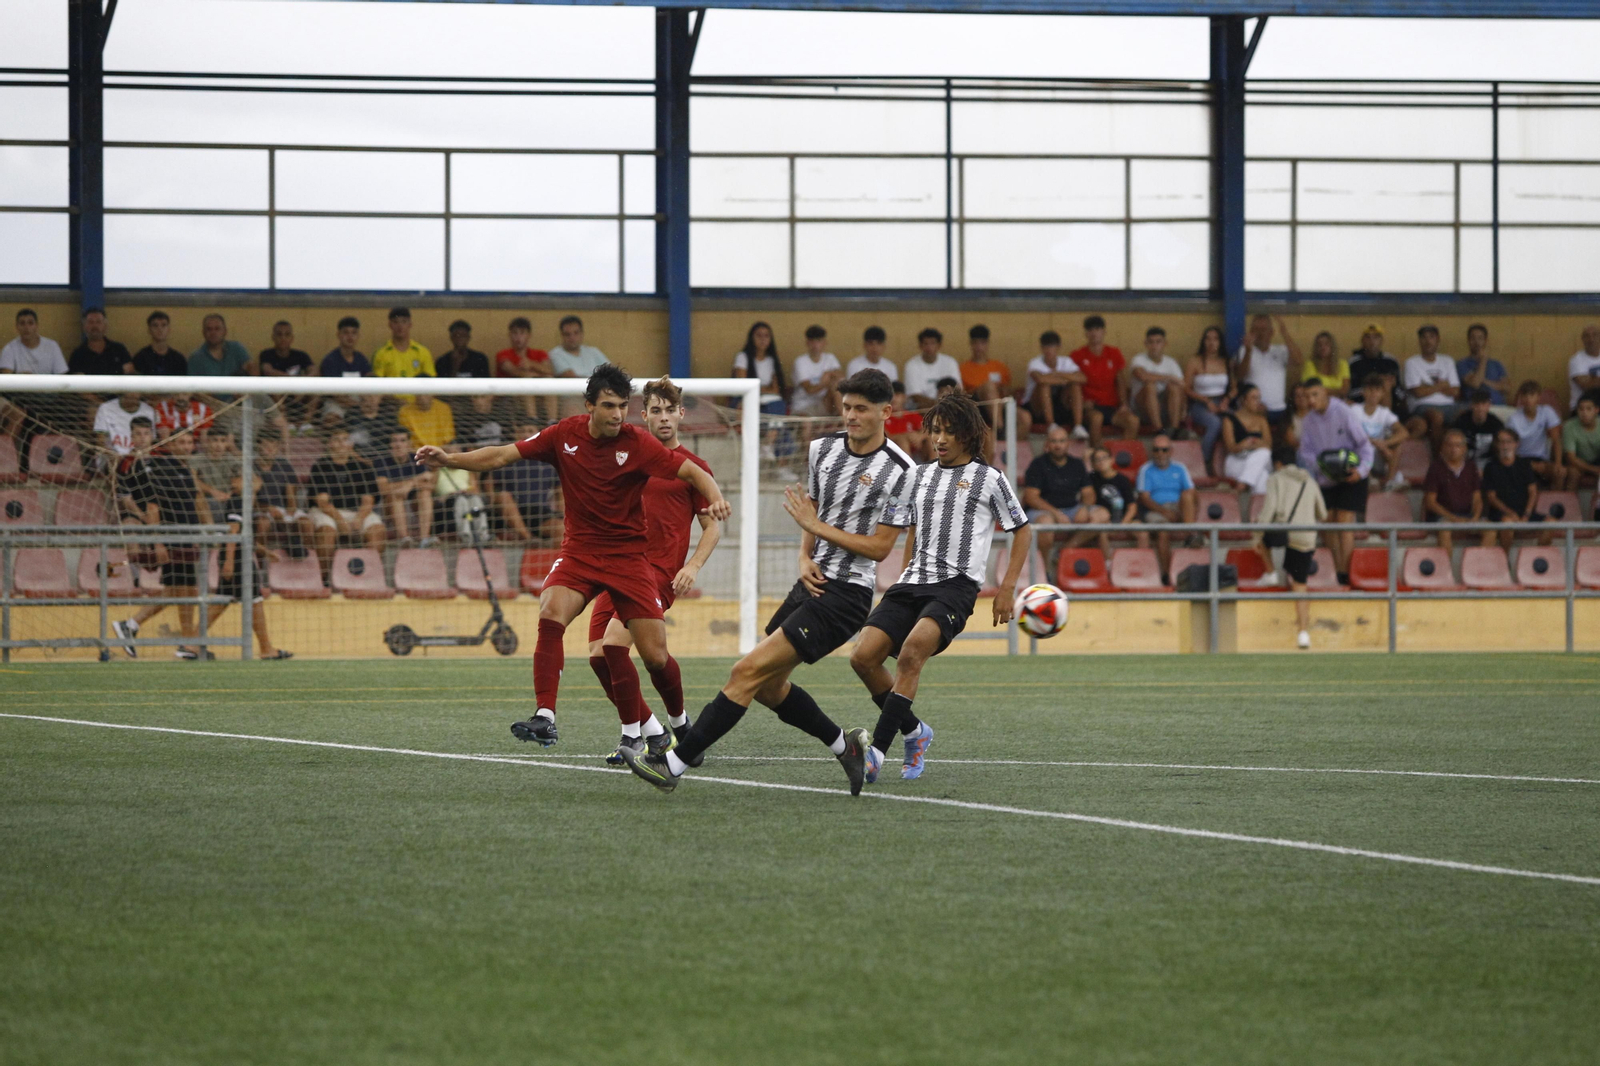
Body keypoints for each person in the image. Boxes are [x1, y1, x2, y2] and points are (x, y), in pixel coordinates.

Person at [616, 369, 906, 794]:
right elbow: (812, 507)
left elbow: (880, 548)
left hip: (846, 595)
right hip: (810, 583)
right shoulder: (823, 449)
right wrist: (804, 555)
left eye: (861, 409)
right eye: (846, 407)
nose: (851, 416)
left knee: (745, 672)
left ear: (886, 413)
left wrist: (815, 529)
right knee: (769, 687)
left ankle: (673, 764)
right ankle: (846, 747)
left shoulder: (900, 470)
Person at [415, 364, 731, 751]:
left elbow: (694, 472)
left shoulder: (638, 444)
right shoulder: (563, 435)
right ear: (589, 406)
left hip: (629, 560)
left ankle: (675, 725)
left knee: (654, 657)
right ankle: (547, 717)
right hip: (580, 552)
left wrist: (716, 499)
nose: (618, 414)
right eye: (609, 406)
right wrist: (449, 460)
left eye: (623, 406)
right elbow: (501, 455)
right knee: (555, 614)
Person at [850, 392, 1031, 784]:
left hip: (956, 586)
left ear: (968, 434)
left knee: (911, 653)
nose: (940, 439)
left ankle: (877, 751)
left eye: (949, 431)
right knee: (862, 657)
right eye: (935, 430)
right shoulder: (916, 476)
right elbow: (911, 528)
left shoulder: (989, 479)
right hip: (912, 582)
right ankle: (915, 731)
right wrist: (904, 574)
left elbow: (1022, 530)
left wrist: (1007, 588)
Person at [592, 378, 723, 764]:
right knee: (603, 657)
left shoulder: (693, 468)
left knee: (614, 646)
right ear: (644, 415)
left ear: (681, 414)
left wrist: (693, 565)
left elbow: (713, 527)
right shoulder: (627, 458)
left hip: (658, 573)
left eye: (670, 410)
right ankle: (666, 729)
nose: (663, 417)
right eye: (656, 410)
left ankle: (633, 736)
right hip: (616, 568)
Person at [110, 417, 211, 660]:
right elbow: (153, 508)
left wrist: (207, 528)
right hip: (171, 536)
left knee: (183, 589)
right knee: (182, 589)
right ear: (171, 444)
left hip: (186, 536)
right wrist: (158, 542)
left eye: (190, 442)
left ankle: (177, 640)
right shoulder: (161, 468)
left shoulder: (185, 469)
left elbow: (196, 499)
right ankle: (180, 640)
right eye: (181, 442)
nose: (187, 447)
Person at [1296, 379, 1374, 583]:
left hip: (1351, 474)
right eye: (1307, 396)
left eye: (1315, 394)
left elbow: (1365, 446)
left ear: (1325, 393)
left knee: (1344, 522)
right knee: (1328, 523)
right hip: (1327, 476)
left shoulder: (1344, 412)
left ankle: (1349, 575)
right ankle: (1338, 572)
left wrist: (1361, 471)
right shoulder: (1308, 421)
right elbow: (1306, 452)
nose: (1311, 400)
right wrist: (1321, 465)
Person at [1253, 445, 1327, 650]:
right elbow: (1322, 513)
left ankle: (1271, 573)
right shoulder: (1310, 480)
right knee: (1300, 585)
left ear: (1278, 463)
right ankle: (1303, 633)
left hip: (1284, 531)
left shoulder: (1275, 478)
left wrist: (1256, 535)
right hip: (1305, 536)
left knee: (1261, 538)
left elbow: (1269, 510)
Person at [208, 494, 293, 660]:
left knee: (222, 600)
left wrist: (266, 552)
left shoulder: (245, 501)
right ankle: (266, 648)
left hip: (237, 556)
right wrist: (230, 561)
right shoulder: (238, 500)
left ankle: (192, 644)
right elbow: (233, 531)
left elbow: (246, 538)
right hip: (239, 559)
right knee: (254, 601)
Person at [308, 426, 386, 581]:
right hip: (327, 512)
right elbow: (322, 502)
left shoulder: (362, 467)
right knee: (326, 531)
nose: (341, 443)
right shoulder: (321, 466)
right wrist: (340, 521)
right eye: (337, 440)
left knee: (377, 530)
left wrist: (359, 518)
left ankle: (369, 578)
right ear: (330, 444)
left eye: (345, 439)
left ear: (351, 444)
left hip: (357, 512)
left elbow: (368, 500)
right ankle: (324, 579)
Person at [1021, 424, 1095, 568]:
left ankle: (1064, 551)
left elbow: (1089, 493)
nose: (1058, 445)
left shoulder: (1077, 464)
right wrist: (1056, 513)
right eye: (1054, 441)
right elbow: (1031, 497)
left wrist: (1085, 508)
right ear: (1047, 444)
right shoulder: (1038, 464)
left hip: (1071, 509)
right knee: (1045, 523)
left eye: (1062, 441)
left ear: (1068, 443)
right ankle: (1045, 569)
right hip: (1042, 511)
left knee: (1102, 515)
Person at [485, 417, 563, 544]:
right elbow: (488, 482)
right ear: (516, 434)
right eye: (522, 431)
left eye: (530, 431)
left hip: (538, 512)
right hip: (509, 510)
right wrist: (493, 501)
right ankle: (529, 540)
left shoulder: (548, 460)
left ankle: (552, 556)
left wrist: (561, 513)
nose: (526, 434)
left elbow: (560, 490)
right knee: (503, 496)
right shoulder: (506, 456)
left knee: (560, 529)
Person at [1, 308, 68, 445]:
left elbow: (62, 376)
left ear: (36, 325)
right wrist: (21, 377)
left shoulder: (51, 346)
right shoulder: (10, 348)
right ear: (17, 327)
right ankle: (8, 453)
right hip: (21, 397)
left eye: (30, 323)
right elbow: (5, 376)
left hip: (48, 397)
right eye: (22, 323)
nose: (26, 327)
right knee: (17, 414)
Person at [1072, 315, 1141, 447]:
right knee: (1097, 418)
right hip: (1090, 408)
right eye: (1090, 330)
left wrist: (1124, 404)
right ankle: (1097, 455)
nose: (1094, 333)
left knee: (1133, 421)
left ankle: (1121, 455)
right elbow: (1071, 385)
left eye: (1097, 329)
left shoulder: (1114, 353)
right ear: (1085, 333)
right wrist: (1082, 403)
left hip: (1111, 407)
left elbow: (1120, 381)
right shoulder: (1077, 355)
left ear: (1104, 332)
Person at [1135, 433, 1197, 578]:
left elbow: (1193, 493)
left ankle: (1190, 534)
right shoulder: (1145, 469)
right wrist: (1165, 512)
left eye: (1164, 450)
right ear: (1152, 452)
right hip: (1155, 509)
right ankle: (1167, 575)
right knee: (1162, 531)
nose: (1160, 453)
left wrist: (1191, 514)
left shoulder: (1180, 468)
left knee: (1187, 496)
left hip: (1177, 507)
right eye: (1156, 450)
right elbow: (1144, 498)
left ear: (1171, 451)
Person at [1481, 429, 1546, 551]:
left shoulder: (1525, 464)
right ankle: (1504, 559)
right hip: (1501, 513)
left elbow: (1533, 492)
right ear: (1496, 445)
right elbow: (1491, 497)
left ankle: (1536, 555)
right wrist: (1510, 513)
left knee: (1552, 523)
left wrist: (1526, 514)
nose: (1505, 446)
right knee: (1507, 523)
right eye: (1501, 442)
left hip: (1524, 512)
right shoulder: (1490, 467)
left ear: (1517, 444)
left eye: (1509, 442)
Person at [960, 324, 1029, 438]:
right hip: (976, 408)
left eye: (982, 343)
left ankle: (1013, 447)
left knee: (1025, 417)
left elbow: (1007, 393)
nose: (979, 347)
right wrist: (984, 389)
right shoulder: (963, 368)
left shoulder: (999, 367)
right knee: (989, 386)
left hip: (999, 404)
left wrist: (1001, 389)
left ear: (987, 344)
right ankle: (999, 429)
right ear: (971, 344)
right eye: (976, 343)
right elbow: (962, 396)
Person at [1234, 313, 1303, 425]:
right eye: (1255, 330)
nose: (1260, 333)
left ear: (1271, 332)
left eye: (1263, 329)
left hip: (1279, 409)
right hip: (1254, 410)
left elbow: (1299, 361)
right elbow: (1240, 375)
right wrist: (1248, 351)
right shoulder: (1244, 351)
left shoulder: (1281, 350)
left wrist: (1285, 334)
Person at [1422, 429, 1482, 553]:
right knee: (1445, 528)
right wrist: (1454, 518)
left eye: (1458, 445)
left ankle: (1478, 564)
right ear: (1443, 447)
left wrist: (1475, 518)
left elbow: (1477, 498)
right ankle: (1447, 565)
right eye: (1449, 445)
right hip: (1442, 518)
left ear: (1464, 448)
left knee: (1491, 530)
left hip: (1466, 516)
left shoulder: (1471, 467)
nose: (1453, 449)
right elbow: (1430, 502)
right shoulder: (1435, 468)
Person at [253, 432, 313, 555]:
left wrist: (289, 515)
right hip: (260, 510)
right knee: (263, 524)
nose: (270, 449)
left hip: (282, 509)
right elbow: (250, 502)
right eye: (266, 445)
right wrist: (268, 508)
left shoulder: (284, 465)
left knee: (306, 523)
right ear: (258, 446)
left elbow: (291, 497)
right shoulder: (251, 467)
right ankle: (260, 560)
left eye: (274, 446)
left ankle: (303, 558)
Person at [372, 428, 434, 547]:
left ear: (409, 444)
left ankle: (424, 539)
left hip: (412, 505)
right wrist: (412, 482)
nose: (398, 445)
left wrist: (409, 485)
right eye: (395, 441)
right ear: (390, 444)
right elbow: (383, 489)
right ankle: (405, 539)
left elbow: (429, 485)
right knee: (395, 495)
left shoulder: (416, 458)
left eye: (402, 441)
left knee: (425, 493)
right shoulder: (381, 461)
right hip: (387, 507)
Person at [1403, 324, 1461, 448]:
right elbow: (1418, 393)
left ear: (1438, 340)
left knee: (1468, 412)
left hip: (1449, 405)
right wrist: (1442, 385)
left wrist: (1427, 386)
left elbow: (1455, 391)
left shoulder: (1447, 361)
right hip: (1422, 406)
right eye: (1424, 337)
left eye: (1431, 337)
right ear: (1419, 341)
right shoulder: (1412, 362)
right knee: (1437, 416)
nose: (1428, 341)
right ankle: (1438, 455)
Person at [1184, 325, 1232, 472]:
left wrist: (1226, 400)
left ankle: (1231, 461)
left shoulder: (1226, 362)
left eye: (1215, 339)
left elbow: (1234, 387)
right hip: (1200, 403)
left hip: (1221, 401)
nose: (1212, 343)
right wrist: (1206, 401)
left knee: (1234, 420)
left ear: (1220, 342)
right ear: (1203, 341)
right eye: (1208, 339)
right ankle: (1204, 461)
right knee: (1214, 423)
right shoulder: (1195, 361)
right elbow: (1186, 388)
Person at [1023, 330, 1086, 438]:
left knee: (1075, 385)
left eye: (1052, 346)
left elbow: (1082, 378)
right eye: (1046, 346)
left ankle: (1078, 426)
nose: (1049, 350)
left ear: (1058, 347)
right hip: (1037, 408)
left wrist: (1058, 373)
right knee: (1044, 386)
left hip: (1060, 406)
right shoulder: (1035, 363)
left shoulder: (1066, 361)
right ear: (1041, 348)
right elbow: (1041, 379)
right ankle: (1051, 424)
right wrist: (1065, 379)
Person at [1505, 379, 1566, 489]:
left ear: (1538, 397)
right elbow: (1509, 448)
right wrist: (1532, 465)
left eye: (1532, 395)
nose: (1528, 399)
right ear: (1521, 398)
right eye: (1525, 395)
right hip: (1520, 460)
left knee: (1560, 473)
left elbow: (1556, 439)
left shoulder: (1547, 411)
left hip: (1542, 459)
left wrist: (1558, 464)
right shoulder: (1513, 419)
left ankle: (1553, 500)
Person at [258, 320, 316, 430]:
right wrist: (292, 380)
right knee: (274, 388)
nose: (283, 338)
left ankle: (305, 425)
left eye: (287, 334)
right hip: (277, 396)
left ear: (292, 338)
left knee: (316, 391)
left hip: (298, 393)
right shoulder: (266, 354)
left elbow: (314, 370)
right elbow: (267, 370)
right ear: (273, 337)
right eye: (279, 334)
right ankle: (286, 424)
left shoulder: (301, 355)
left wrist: (302, 384)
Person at [1130, 326, 1187, 436]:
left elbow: (1182, 386)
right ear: (1146, 344)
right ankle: (1158, 430)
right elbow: (1142, 376)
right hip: (1143, 410)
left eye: (1158, 342)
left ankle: (1174, 430)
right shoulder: (1138, 359)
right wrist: (1169, 377)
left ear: (1165, 343)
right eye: (1151, 342)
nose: (1154, 346)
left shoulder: (1171, 363)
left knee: (1174, 388)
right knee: (1150, 386)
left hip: (1166, 410)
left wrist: (1184, 409)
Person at [1355, 374, 1408, 489]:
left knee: (1397, 444)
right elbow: (1350, 434)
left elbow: (1403, 432)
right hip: (1361, 456)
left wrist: (1385, 444)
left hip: (1379, 455)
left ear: (1383, 393)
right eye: (1370, 390)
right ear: (1363, 392)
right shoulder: (1354, 410)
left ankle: (1390, 481)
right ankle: (1369, 479)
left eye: (1377, 390)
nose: (1374, 393)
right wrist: (1374, 442)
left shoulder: (1384, 413)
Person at [494, 316, 551, 423]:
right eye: (515, 333)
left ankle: (552, 421)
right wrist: (535, 373)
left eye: (522, 333)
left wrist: (532, 364)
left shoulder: (540, 354)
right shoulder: (503, 354)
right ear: (509, 335)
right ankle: (532, 420)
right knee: (527, 380)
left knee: (549, 380)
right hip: (509, 398)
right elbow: (514, 371)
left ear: (529, 335)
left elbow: (549, 371)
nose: (518, 337)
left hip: (539, 397)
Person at [1084, 446, 1139, 555]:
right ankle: (1107, 562)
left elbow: (1132, 507)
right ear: (1093, 464)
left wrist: (1122, 524)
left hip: (1125, 519)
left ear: (1111, 460)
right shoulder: (1091, 478)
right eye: (1097, 459)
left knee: (1143, 532)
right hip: (1106, 521)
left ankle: (1142, 560)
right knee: (1102, 532)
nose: (1101, 462)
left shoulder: (1122, 480)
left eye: (1104, 458)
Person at [1221, 383, 1273, 495]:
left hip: (1258, 459)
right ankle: (1257, 504)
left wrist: (1253, 443)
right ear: (1243, 400)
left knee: (1264, 452)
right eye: (1254, 398)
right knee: (1262, 476)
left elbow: (1268, 445)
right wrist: (1243, 445)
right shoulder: (1229, 419)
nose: (1258, 402)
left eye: (1259, 398)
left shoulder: (1261, 420)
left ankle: (1242, 485)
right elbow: (1230, 447)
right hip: (1237, 460)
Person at [731, 320, 787, 415]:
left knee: (778, 405)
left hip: (765, 400)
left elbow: (776, 389)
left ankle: (771, 426)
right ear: (752, 338)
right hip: (744, 398)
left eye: (766, 336)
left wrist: (758, 389)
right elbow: (743, 385)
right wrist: (765, 389)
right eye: (759, 335)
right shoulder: (743, 357)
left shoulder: (771, 360)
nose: (763, 339)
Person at [1348, 324, 1404, 415]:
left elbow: (1400, 392)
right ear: (1362, 341)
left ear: (1381, 340)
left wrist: (1391, 384)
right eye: (1368, 337)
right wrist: (1375, 384)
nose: (1372, 341)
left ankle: (1384, 419)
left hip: (1391, 404)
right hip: (1362, 403)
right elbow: (1351, 392)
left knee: (1386, 384)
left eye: (1376, 337)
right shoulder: (1354, 362)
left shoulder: (1391, 361)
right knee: (1379, 386)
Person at [371, 307, 435, 386]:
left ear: (410, 324)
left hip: (416, 394)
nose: (400, 326)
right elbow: (377, 385)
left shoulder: (422, 352)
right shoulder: (381, 354)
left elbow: (430, 381)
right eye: (395, 322)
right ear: (390, 325)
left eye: (404, 321)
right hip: (391, 394)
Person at [789, 325, 843, 418]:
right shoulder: (800, 361)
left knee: (836, 385)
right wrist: (824, 383)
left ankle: (844, 419)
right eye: (812, 341)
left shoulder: (830, 358)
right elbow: (809, 390)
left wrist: (829, 374)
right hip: (804, 406)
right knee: (807, 422)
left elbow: (841, 377)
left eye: (818, 341)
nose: (815, 345)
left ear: (825, 342)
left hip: (824, 404)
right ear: (807, 343)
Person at [902, 328, 961, 411]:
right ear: (920, 345)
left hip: (948, 406)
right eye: (926, 344)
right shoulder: (911, 365)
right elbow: (915, 396)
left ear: (939, 345)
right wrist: (937, 404)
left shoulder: (950, 362)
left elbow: (957, 390)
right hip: (921, 409)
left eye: (933, 343)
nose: (929, 347)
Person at [68, 307, 133, 376]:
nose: (95, 326)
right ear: (84, 326)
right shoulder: (78, 355)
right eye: (90, 322)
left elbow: (130, 372)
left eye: (98, 322)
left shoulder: (119, 350)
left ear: (105, 325)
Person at [1457, 323, 1507, 406]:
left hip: (1498, 406)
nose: (1476, 342)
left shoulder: (1496, 364)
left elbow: (1506, 388)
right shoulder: (1462, 364)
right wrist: (1483, 360)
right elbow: (1475, 383)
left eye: (1480, 338)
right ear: (1468, 341)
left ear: (1485, 341)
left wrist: (1483, 381)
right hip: (1475, 408)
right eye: (1473, 338)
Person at [187, 314, 251, 377]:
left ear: (225, 331)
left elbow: (251, 368)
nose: (213, 333)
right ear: (203, 333)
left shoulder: (236, 348)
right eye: (209, 329)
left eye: (217, 329)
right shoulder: (195, 359)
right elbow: (192, 383)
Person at [188, 423, 238, 506]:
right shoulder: (196, 459)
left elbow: (244, 478)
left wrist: (231, 492)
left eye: (223, 441)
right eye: (215, 440)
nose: (219, 445)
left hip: (228, 498)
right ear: (208, 441)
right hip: (207, 499)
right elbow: (192, 480)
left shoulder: (231, 459)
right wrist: (213, 492)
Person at [1452, 388, 1504, 465]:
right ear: (1471, 405)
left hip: (1489, 463)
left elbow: (1501, 446)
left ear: (1489, 405)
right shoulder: (1461, 421)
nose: (1480, 408)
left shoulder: (1496, 424)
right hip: (1464, 462)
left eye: (1483, 403)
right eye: (1477, 403)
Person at [1561, 390, 1600, 490]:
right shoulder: (1569, 426)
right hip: (1578, 462)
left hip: (1597, 460)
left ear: (1596, 410)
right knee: (1573, 473)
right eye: (1581, 409)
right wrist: (1594, 470)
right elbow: (1571, 458)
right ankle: (1569, 500)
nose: (1584, 413)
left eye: (1588, 409)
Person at [132, 311, 187, 376]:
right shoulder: (140, 358)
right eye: (155, 325)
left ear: (169, 329)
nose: (160, 329)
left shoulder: (178, 359)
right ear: (149, 330)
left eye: (164, 325)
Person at [884, 381, 926, 459]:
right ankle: (907, 466)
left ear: (904, 397)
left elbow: (927, 428)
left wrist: (920, 436)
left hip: (917, 453)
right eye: (890, 396)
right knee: (902, 440)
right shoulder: (883, 417)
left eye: (897, 395)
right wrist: (905, 436)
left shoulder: (911, 415)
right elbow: (885, 437)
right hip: (891, 455)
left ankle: (937, 466)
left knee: (930, 439)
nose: (893, 399)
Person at [1301, 331, 1350, 398]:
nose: (1323, 347)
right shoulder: (1310, 365)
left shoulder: (1342, 364)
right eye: (1319, 345)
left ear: (1332, 346)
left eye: (1326, 344)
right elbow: (1311, 389)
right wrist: (1337, 391)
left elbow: (1345, 390)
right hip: (1317, 401)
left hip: (1339, 401)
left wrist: (1323, 390)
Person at [1567, 324, 1600, 414]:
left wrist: (1593, 378)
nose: (1591, 339)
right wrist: (1592, 381)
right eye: (1587, 336)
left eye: (1595, 335)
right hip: (1582, 409)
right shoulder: (1576, 360)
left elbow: (1593, 383)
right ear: (1583, 339)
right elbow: (1587, 386)